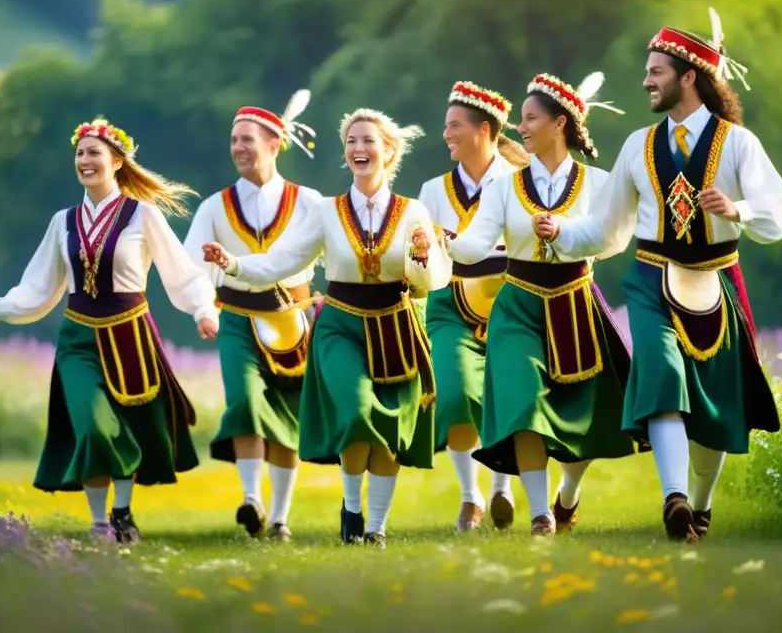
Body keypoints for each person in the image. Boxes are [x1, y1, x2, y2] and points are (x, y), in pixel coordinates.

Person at [535, 9, 782, 541]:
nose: (646, 80)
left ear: (689, 77)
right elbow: (607, 231)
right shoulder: (638, 145)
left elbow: (778, 208)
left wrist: (738, 210)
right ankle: (674, 499)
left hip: (718, 282)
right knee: (662, 377)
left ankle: (699, 506)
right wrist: (559, 232)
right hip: (651, 281)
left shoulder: (738, 143)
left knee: (716, 408)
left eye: (656, 70)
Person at [202, 108, 450, 547]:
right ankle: (351, 510)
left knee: (389, 428)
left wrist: (421, 254)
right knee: (356, 414)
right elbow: (282, 260)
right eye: (351, 141)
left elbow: (431, 282)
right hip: (340, 325)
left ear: (388, 151)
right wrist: (235, 263)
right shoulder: (327, 211)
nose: (358, 149)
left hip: (397, 328)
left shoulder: (414, 212)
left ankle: (375, 528)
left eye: (367, 141)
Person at [0, 117, 219, 544]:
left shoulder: (144, 215)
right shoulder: (63, 221)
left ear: (117, 161)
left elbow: (182, 272)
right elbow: (39, 285)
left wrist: (203, 310)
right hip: (78, 340)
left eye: (93, 153)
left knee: (129, 426)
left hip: (131, 335)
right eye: (79, 153)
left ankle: (122, 514)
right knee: (93, 428)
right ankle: (100, 522)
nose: (84, 160)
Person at [446, 71, 640, 538]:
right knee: (524, 403)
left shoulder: (599, 182)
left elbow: (614, 239)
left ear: (560, 124)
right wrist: (442, 243)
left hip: (576, 303)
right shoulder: (504, 187)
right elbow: (476, 243)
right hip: (518, 306)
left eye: (531, 118)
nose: (521, 128)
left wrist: (568, 238)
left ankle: (567, 495)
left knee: (587, 416)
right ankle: (540, 515)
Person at [184, 96, 322, 542]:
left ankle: (280, 518)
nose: (237, 147)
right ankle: (251, 499)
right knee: (243, 402)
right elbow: (193, 268)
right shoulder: (212, 207)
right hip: (238, 319)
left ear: (274, 144)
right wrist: (204, 310)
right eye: (233, 140)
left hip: (295, 321)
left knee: (288, 416)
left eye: (246, 139)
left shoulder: (311, 202)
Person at [416, 80, 529, 532]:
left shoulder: (522, 182)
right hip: (449, 304)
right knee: (458, 395)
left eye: (454, 126)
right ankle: (470, 496)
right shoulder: (431, 190)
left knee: (511, 395)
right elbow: (422, 260)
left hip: (513, 301)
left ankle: (502, 487)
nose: (446, 134)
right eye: (446, 126)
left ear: (484, 129)